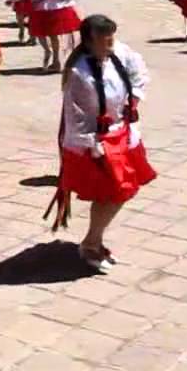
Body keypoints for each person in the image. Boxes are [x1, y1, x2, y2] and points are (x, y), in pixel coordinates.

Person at [55, 15, 155, 271]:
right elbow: (74, 113)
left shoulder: (118, 54)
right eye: (104, 38)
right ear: (90, 41)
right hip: (97, 141)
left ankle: (93, 240)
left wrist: (134, 100)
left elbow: (139, 71)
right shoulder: (79, 73)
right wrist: (90, 143)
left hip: (121, 133)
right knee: (113, 191)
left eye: (112, 35)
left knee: (121, 191)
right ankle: (91, 243)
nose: (111, 42)